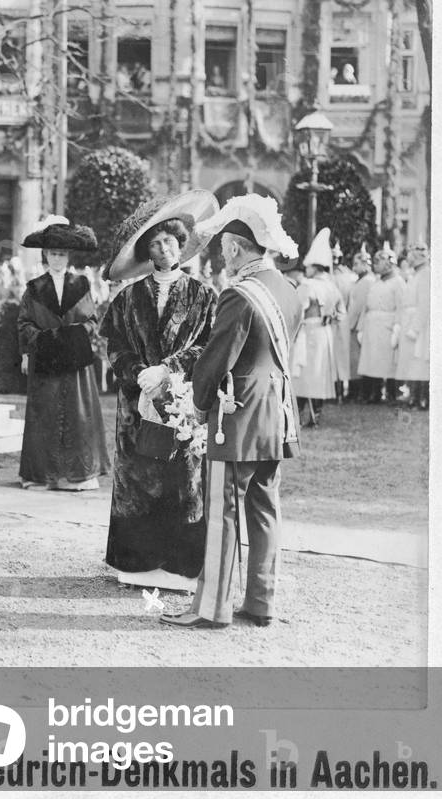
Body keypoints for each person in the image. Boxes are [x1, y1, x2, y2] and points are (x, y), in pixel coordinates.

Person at [161, 194, 303, 629]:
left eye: (224, 251)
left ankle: (212, 608)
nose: (222, 259)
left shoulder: (238, 295)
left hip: (236, 416)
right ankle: (261, 602)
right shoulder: (291, 292)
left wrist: (196, 404)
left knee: (222, 511)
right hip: (276, 415)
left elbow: (217, 359)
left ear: (238, 249)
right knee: (264, 508)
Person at [100, 191, 219, 591]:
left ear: (180, 243)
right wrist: (136, 373)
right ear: (146, 251)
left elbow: (209, 344)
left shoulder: (204, 295)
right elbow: (112, 343)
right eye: (155, 243)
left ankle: (180, 568)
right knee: (138, 477)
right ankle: (136, 566)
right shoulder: (127, 298)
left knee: (183, 477)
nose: (164, 248)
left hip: (183, 401)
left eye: (169, 240)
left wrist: (168, 369)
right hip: (137, 404)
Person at [17, 216, 109, 490]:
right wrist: (44, 341)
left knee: (77, 415)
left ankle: (76, 476)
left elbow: (92, 320)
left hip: (74, 360)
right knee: (45, 414)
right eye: (53, 254)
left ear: (68, 256)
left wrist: (71, 337)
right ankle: (44, 475)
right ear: (45, 255)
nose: (57, 258)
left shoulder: (81, 284)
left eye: (62, 254)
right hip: (46, 360)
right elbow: (23, 323)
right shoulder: (34, 288)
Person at [291, 228, 345, 427]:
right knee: (319, 373)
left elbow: (297, 312)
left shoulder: (307, 286)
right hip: (326, 333)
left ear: (314, 266)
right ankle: (316, 413)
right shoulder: (332, 286)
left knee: (303, 372)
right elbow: (341, 313)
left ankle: (303, 414)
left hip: (308, 332)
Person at [356, 243, 404, 404]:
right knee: (371, 361)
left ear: (390, 262)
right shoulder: (375, 282)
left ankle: (391, 394)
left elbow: (401, 308)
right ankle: (373, 393)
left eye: (380, 260)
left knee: (388, 362)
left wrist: (397, 329)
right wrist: (361, 327)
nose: (376, 263)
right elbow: (366, 306)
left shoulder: (398, 283)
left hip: (387, 326)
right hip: (371, 325)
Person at [396, 241, 430, 409]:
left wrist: (415, 328)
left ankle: (422, 398)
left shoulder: (426, 274)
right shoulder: (416, 275)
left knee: (421, 361)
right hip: (410, 320)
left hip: (421, 326)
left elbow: (424, 304)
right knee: (412, 362)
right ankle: (414, 395)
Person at [329, 240, 357, 401]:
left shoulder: (338, 278)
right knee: (338, 356)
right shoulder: (349, 277)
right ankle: (338, 392)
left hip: (336, 320)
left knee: (337, 356)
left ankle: (337, 392)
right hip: (341, 319)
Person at [347, 244, 375, 402]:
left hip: (359, 325)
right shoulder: (361, 281)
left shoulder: (367, 282)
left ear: (365, 264)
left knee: (358, 360)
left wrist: (350, 324)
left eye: (357, 264)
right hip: (357, 323)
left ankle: (359, 391)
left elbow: (358, 307)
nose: (354, 267)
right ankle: (357, 391)